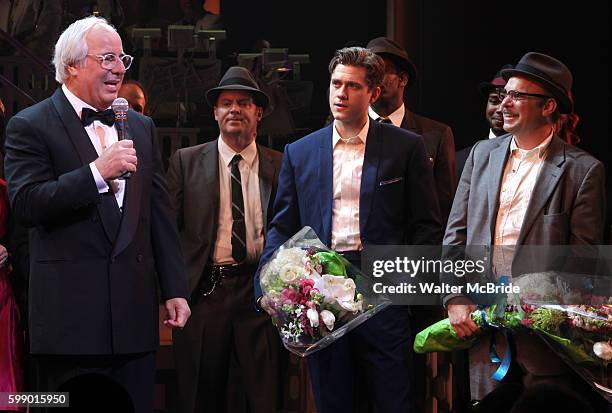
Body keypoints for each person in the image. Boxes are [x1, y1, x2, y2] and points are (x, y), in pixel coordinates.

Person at [3, 16, 190, 413]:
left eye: (122, 57)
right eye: (107, 58)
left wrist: (174, 287)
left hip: (133, 323)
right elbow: (27, 203)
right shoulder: (29, 125)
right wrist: (96, 173)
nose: (119, 67)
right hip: (68, 326)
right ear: (72, 65)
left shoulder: (140, 126)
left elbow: (158, 213)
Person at [255, 46, 442, 413]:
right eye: (336, 83)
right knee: (333, 400)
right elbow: (281, 225)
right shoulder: (300, 151)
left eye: (352, 86)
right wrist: (266, 281)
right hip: (321, 285)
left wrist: (412, 293)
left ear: (373, 93)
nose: (341, 92)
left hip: (385, 286)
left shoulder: (406, 147)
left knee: (393, 400)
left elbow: (426, 228)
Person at [443, 52, 606, 401]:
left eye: (517, 96)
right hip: (481, 328)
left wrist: (528, 303)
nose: (505, 103)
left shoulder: (583, 170)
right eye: (504, 95)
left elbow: (582, 259)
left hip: (544, 338)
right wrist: (455, 296)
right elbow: (455, 235)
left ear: (548, 107)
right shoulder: (481, 155)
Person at [167, 66, 284, 413]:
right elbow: (167, 230)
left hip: (261, 297)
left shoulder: (280, 164)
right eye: (226, 103)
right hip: (205, 294)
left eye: (244, 103)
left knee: (265, 399)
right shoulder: (185, 161)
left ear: (258, 112)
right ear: (216, 112)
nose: (234, 109)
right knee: (199, 396)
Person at [367, 37, 456, 225]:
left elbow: (444, 205)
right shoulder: (346, 130)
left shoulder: (436, 134)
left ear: (403, 79)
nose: (374, 80)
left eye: (382, 72)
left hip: (413, 246)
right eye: (369, 73)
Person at [456, 64, 513, 178]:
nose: (500, 109)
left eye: (508, 104)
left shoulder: (530, 158)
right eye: (494, 101)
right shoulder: (461, 159)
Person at [0, 178, 24, 413]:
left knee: (8, 391)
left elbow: (19, 242)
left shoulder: (4, 190)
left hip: (2, 297)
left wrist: (7, 251)